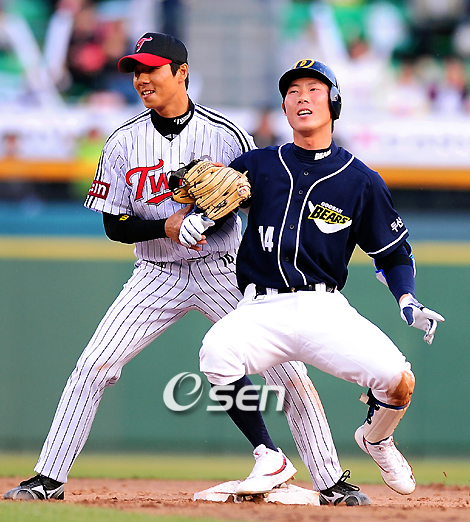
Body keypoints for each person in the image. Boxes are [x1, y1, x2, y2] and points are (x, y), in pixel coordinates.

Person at [4, 35, 368, 506]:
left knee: (288, 374)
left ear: (181, 73)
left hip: (223, 270)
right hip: (155, 273)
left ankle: (331, 482)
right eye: (136, 71)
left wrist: (210, 215)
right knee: (93, 366)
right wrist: (168, 224)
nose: (142, 79)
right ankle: (48, 478)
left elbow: (252, 198)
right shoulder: (123, 140)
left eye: (152, 69)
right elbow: (114, 225)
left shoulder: (226, 134)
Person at [199, 59, 445, 497]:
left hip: (323, 307)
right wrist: (196, 218)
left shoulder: (360, 180)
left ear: (334, 104)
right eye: (293, 92)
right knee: (216, 353)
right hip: (260, 308)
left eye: (314, 90)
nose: (302, 98)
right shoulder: (257, 165)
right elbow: (214, 213)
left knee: (397, 379)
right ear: (284, 107)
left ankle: (376, 438)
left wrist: (407, 298)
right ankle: (268, 455)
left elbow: (392, 254)